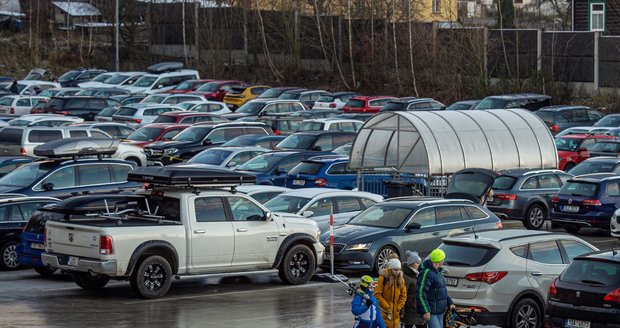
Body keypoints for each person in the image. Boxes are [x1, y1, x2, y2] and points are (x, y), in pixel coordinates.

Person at [416, 249, 456, 328]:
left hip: (440, 311)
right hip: (431, 311)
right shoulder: (427, 273)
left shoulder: (438, 272)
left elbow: (441, 291)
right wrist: (425, 310)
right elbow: (420, 292)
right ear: (441, 261)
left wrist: (450, 302)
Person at [375, 257, 407, 328]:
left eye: (398, 270)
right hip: (384, 311)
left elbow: (403, 296)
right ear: (390, 269)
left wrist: (398, 307)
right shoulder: (383, 278)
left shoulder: (401, 279)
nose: (397, 272)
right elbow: (377, 295)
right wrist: (387, 307)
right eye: (395, 270)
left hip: (395, 313)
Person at [402, 250, 425, 328]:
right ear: (411, 264)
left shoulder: (417, 274)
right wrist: (402, 312)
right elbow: (404, 295)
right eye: (417, 263)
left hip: (418, 309)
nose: (419, 265)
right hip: (411, 310)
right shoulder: (407, 277)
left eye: (419, 263)